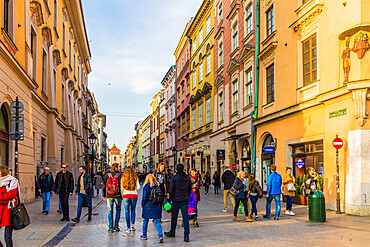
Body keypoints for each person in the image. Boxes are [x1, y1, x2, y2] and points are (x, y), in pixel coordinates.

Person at [164, 163, 192, 242]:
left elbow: (171, 189)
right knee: (185, 218)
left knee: (174, 217)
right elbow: (189, 188)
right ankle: (186, 235)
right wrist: (187, 196)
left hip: (176, 200)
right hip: (184, 200)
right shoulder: (187, 177)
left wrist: (171, 198)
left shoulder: (174, 177)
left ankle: (172, 232)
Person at [140, 174, 163, 243]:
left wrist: (142, 204)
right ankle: (160, 236)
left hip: (148, 205)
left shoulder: (146, 187)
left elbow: (145, 197)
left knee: (145, 220)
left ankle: (144, 235)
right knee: (156, 221)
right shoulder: (157, 186)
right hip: (156, 205)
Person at [0, 166, 19, 247]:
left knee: (7, 236)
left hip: (9, 210)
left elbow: (11, 195)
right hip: (0, 209)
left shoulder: (12, 181)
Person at [103, 163, 122, 233]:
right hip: (118, 196)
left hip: (109, 196)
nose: (119, 168)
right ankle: (116, 226)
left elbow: (104, 185)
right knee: (118, 210)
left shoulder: (107, 175)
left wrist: (103, 195)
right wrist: (121, 195)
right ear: (116, 168)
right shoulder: (120, 175)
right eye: (119, 167)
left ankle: (110, 228)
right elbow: (121, 186)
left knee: (110, 211)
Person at [121, 166, 141, 232]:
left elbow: (121, 188)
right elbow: (138, 187)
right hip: (134, 195)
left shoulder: (123, 177)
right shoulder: (135, 177)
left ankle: (128, 228)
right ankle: (133, 225)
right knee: (133, 210)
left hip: (126, 195)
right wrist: (135, 191)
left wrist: (123, 194)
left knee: (127, 211)